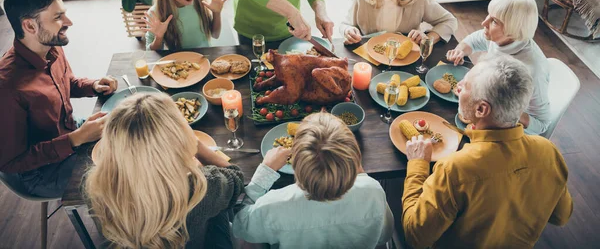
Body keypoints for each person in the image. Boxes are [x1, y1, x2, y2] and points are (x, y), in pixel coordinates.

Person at [402, 55, 572, 249]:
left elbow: (414, 236)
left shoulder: (454, 169)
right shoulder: (548, 152)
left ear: (482, 109)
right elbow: (561, 216)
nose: (459, 87)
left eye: (465, 86)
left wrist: (418, 164)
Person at [0, 0, 117, 197]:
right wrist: (75, 139)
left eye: (64, 13)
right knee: (123, 176)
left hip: (69, 132)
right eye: (57, 17)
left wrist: (93, 85)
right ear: (30, 26)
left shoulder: (51, 47)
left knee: (128, 129)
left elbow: (66, 82)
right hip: (39, 173)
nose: (69, 22)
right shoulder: (7, 88)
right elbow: (12, 161)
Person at [85, 93, 245, 248]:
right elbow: (236, 178)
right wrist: (195, 145)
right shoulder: (201, 187)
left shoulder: (93, 186)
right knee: (220, 208)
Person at [233, 112, 394, 248]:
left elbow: (241, 226)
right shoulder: (373, 191)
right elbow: (384, 235)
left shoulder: (274, 205)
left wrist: (265, 172)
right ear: (355, 158)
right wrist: (361, 175)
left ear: (295, 163)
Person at [446, 0, 550, 135]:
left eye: (494, 21)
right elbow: (475, 39)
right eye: (488, 15)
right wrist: (461, 50)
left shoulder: (533, 70)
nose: (484, 23)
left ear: (512, 30)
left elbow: (542, 124)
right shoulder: (500, 39)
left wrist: (505, 110)